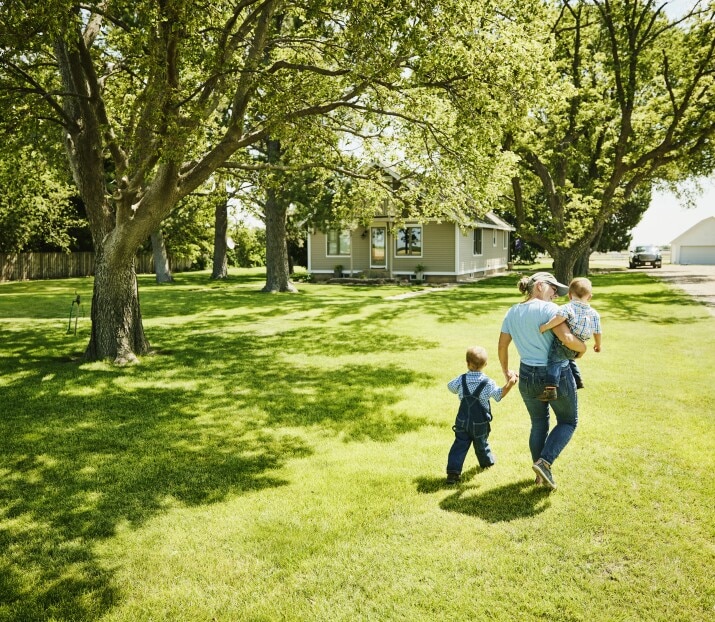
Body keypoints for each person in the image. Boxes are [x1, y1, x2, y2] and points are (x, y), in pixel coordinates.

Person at [498, 272, 587, 490]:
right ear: (539, 286)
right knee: (568, 421)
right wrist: (583, 348)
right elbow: (568, 340)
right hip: (554, 376)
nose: (556, 294)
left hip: (527, 373)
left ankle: (540, 475)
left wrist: (506, 371)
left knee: (538, 423)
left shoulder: (512, 312)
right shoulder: (550, 311)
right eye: (553, 289)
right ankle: (544, 463)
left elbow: (502, 346)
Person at [445, 345, 517, 484]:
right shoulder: (488, 383)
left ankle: (453, 473)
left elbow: (450, 386)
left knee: (459, 445)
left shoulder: (461, 379)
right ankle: (487, 462)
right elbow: (498, 395)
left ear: (467, 363)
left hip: (462, 421)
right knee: (481, 443)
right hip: (480, 423)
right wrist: (510, 384)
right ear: (485, 364)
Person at [537, 277, 602, 401]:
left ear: (569, 295)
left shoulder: (568, 307)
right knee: (569, 359)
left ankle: (550, 389)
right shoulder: (594, 313)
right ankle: (577, 380)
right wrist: (598, 345)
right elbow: (597, 331)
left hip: (564, 344)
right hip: (579, 344)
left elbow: (558, 319)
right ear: (589, 297)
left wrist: (545, 327)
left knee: (554, 360)